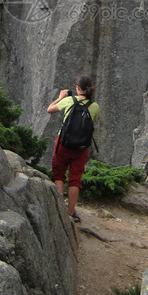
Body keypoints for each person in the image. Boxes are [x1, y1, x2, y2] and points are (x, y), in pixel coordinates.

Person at [46, 75, 100, 222]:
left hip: (63, 143)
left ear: (77, 88)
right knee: (75, 179)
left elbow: (49, 109)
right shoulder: (94, 106)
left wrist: (60, 97)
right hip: (81, 148)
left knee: (59, 175)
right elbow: (92, 119)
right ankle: (70, 212)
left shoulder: (69, 101)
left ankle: (59, 210)